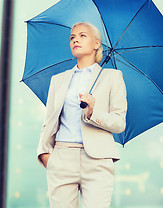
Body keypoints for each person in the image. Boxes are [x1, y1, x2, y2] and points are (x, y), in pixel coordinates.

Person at [37, 22, 127, 208]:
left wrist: (93, 112)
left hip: (97, 160)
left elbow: (119, 123)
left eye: (82, 35)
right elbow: (49, 121)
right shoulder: (58, 80)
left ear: (96, 43)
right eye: (72, 37)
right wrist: (45, 153)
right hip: (61, 158)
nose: (75, 39)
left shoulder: (112, 77)